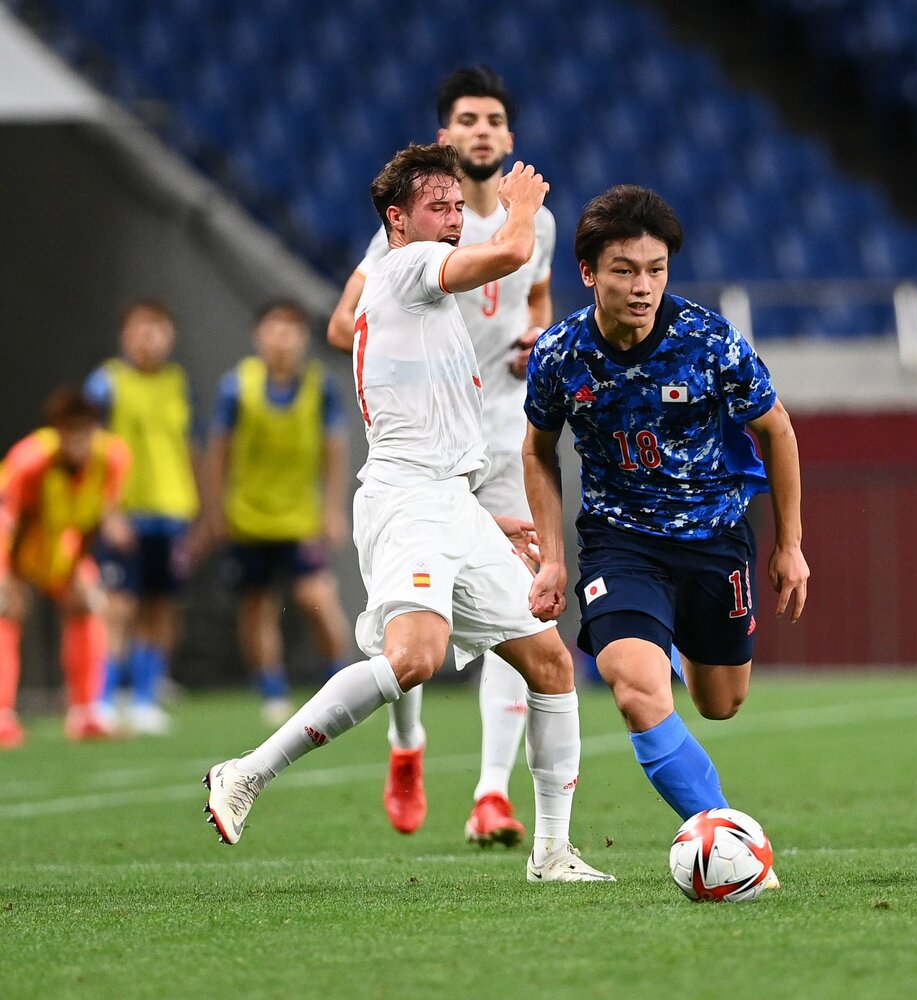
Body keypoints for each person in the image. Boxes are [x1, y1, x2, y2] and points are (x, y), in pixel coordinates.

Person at [204, 143, 611, 883]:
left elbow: (430, 421)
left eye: (460, 206)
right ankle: (246, 773)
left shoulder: (427, 306)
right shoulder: (405, 268)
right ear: (397, 220)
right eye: (439, 207)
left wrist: (483, 520)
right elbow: (512, 253)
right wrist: (520, 210)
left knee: (552, 663)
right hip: (407, 497)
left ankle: (552, 854)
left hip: (449, 501)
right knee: (415, 658)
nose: (455, 220)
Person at [524, 185, 808, 885]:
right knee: (634, 690)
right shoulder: (561, 354)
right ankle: (733, 846)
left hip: (715, 539)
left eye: (655, 269)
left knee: (721, 704)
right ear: (589, 273)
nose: (643, 285)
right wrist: (554, 559)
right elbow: (535, 449)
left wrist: (789, 545)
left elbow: (777, 430)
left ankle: (675, 641)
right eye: (624, 270)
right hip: (621, 546)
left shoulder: (709, 341)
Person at [328, 66, 551, 847]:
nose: (481, 129)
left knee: (518, 611)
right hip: (424, 447)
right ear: (446, 137)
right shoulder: (412, 235)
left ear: (509, 138)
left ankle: (492, 791)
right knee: (413, 630)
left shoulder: (538, 231)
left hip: (505, 435)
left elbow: (537, 300)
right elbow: (344, 322)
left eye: (494, 118)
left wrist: (536, 348)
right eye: (466, 119)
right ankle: (406, 744)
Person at [202, 302, 352, 726]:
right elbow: (218, 453)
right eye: (274, 329)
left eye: (291, 330)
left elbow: (335, 451)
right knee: (257, 604)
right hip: (248, 516)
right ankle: (271, 688)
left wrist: (332, 510)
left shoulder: (320, 387)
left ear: (304, 338)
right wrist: (214, 511)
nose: (282, 339)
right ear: (258, 336)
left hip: (301, 518)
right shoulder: (238, 387)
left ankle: (339, 680)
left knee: (315, 597)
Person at [84, 299, 201, 735]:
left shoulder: (177, 382)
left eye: (158, 328)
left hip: (172, 512)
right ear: (124, 335)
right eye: (141, 328)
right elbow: (91, 453)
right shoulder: (105, 383)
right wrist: (107, 512)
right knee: (118, 607)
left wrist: (199, 511)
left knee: (159, 607)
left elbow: (190, 445)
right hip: (125, 513)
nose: (149, 337)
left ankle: (146, 698)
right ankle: (104, 697)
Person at [0, 387, 131, 746]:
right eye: (69, 432)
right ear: (56, 432)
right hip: (11, 541)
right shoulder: (30, 461)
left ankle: (86, 713)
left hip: (61, 543)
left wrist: (76, 571)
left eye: (85, 431)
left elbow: (91, 520)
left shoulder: (113, 457)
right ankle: (1, 716)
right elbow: (17, 521)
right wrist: (11, 580)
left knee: (86, 605)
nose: (78, 441)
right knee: (5, 614)